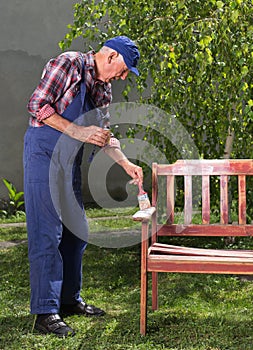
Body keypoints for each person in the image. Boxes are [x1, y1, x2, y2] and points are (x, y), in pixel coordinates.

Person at [23, 36, 143, 337]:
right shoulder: (68, 63)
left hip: (69, 160)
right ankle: (45, 312)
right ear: (112, 56)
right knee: (47, 233)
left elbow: (102, 136)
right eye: (126, 69)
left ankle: (68, 300)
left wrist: (126, 163)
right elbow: (37, 105)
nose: (124, 76)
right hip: (44, 154)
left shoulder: (103, 88)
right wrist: (78, 130)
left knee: (78, 232)